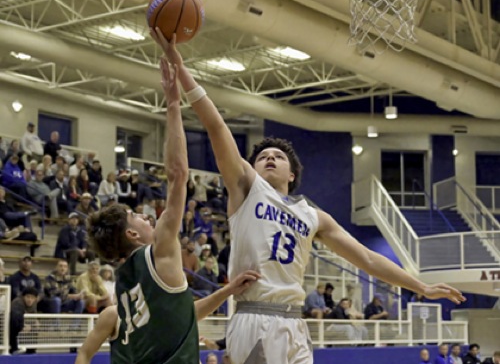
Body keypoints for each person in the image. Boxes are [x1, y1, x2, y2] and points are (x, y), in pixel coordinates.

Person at [152, 29, 466, 364]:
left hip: (295, 322)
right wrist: (181, 71)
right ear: (252, 168)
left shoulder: (314, 217)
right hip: (255, 315)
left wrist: (420, 286)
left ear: (292, 174)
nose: (269, 158)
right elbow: (217, 127)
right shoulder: (246, 188)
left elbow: (368, 259)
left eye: (278, 156)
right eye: (262, 157)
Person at [86, 57, 259, 364]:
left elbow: (182, 315)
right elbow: (178, 175)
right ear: (132, 234)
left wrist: (227, 290)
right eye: (136, 216)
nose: (145, 216)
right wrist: (174, 104)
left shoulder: (125, 283)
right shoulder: (160, 249)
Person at [75, 274, 257, 364]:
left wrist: (229, 290)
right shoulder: (113, 314)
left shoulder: (164, 310)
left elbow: (196, 310)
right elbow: (84, 353)